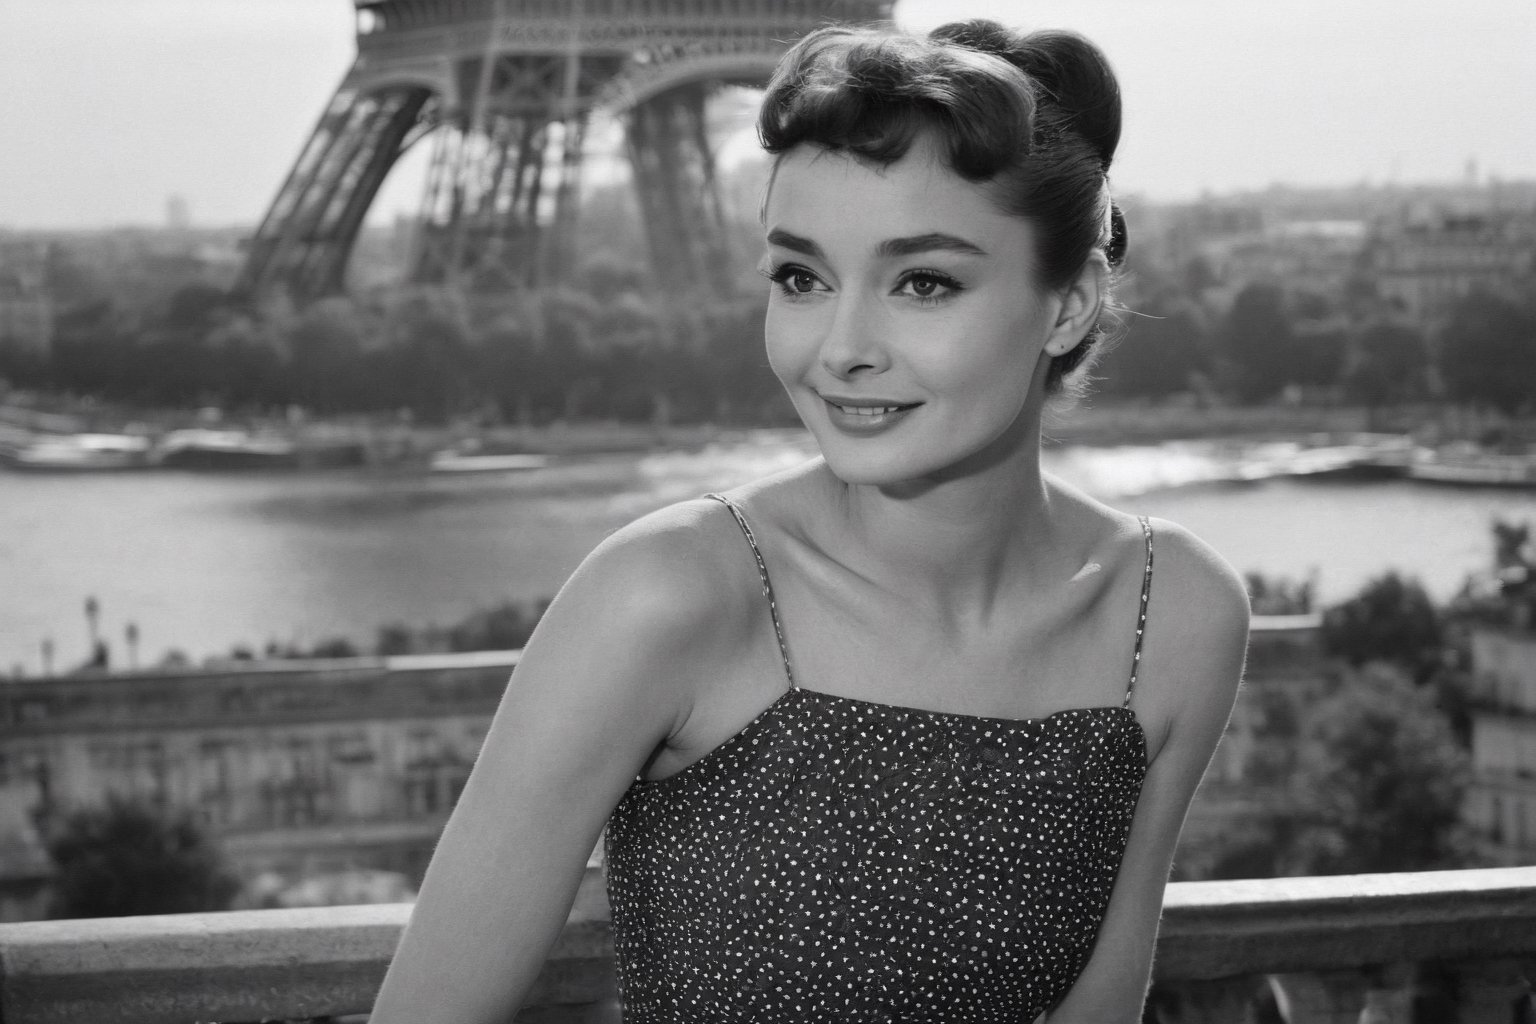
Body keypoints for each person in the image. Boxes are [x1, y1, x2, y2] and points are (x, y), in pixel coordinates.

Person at [372, 18, 1248, 1024]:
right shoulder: (667, 596)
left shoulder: (1176, 614)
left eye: (924, 282)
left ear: (1068, 306)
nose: (840, 350)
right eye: (801, 278)